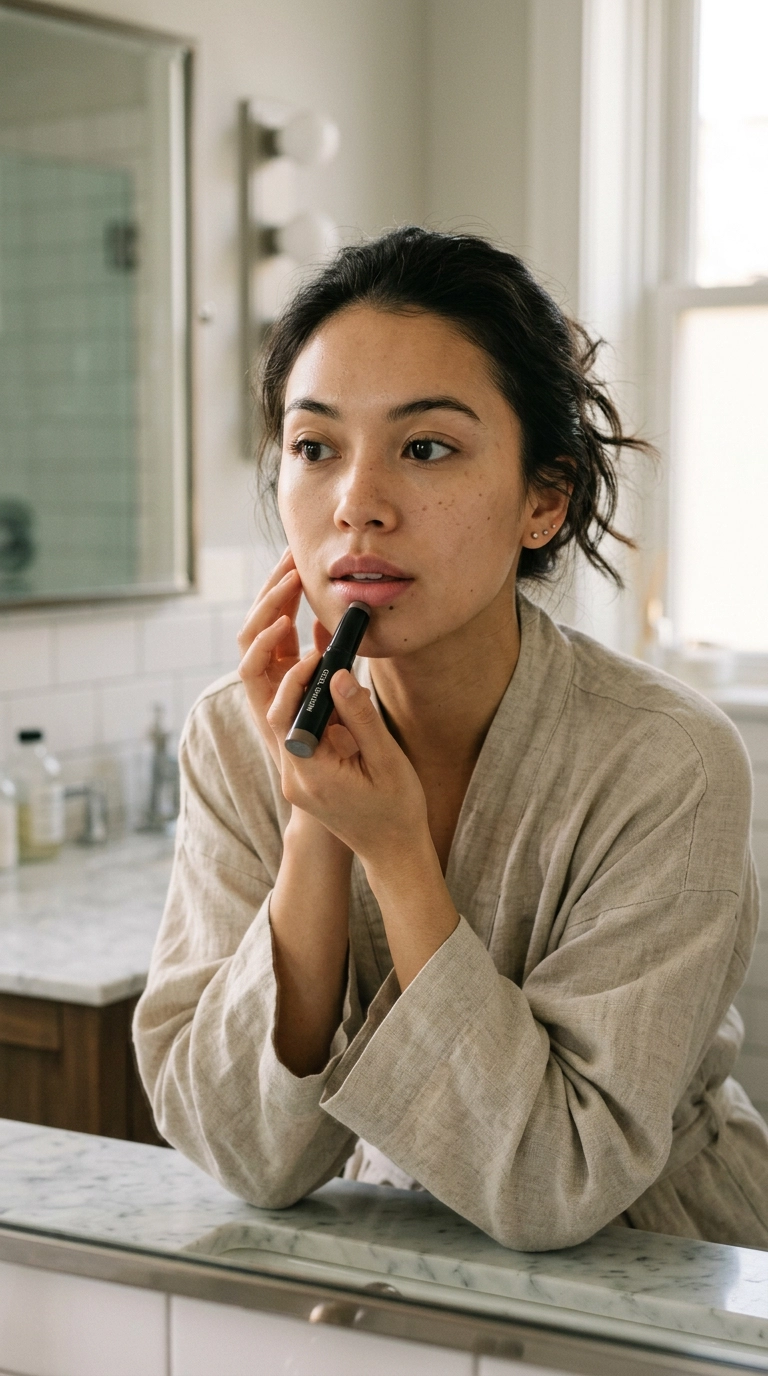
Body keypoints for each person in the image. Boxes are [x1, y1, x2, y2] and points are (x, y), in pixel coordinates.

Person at [134, 227, 768, 1251]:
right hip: (392, 1260)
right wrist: (315, 830)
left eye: (426, 446)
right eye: (314, 446)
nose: (358, 506)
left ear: (543, 499)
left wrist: (394, 850)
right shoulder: (232, 732)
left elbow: (557, 1182)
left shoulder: (666, 760)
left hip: (665, 1265)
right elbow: (243, 1150)